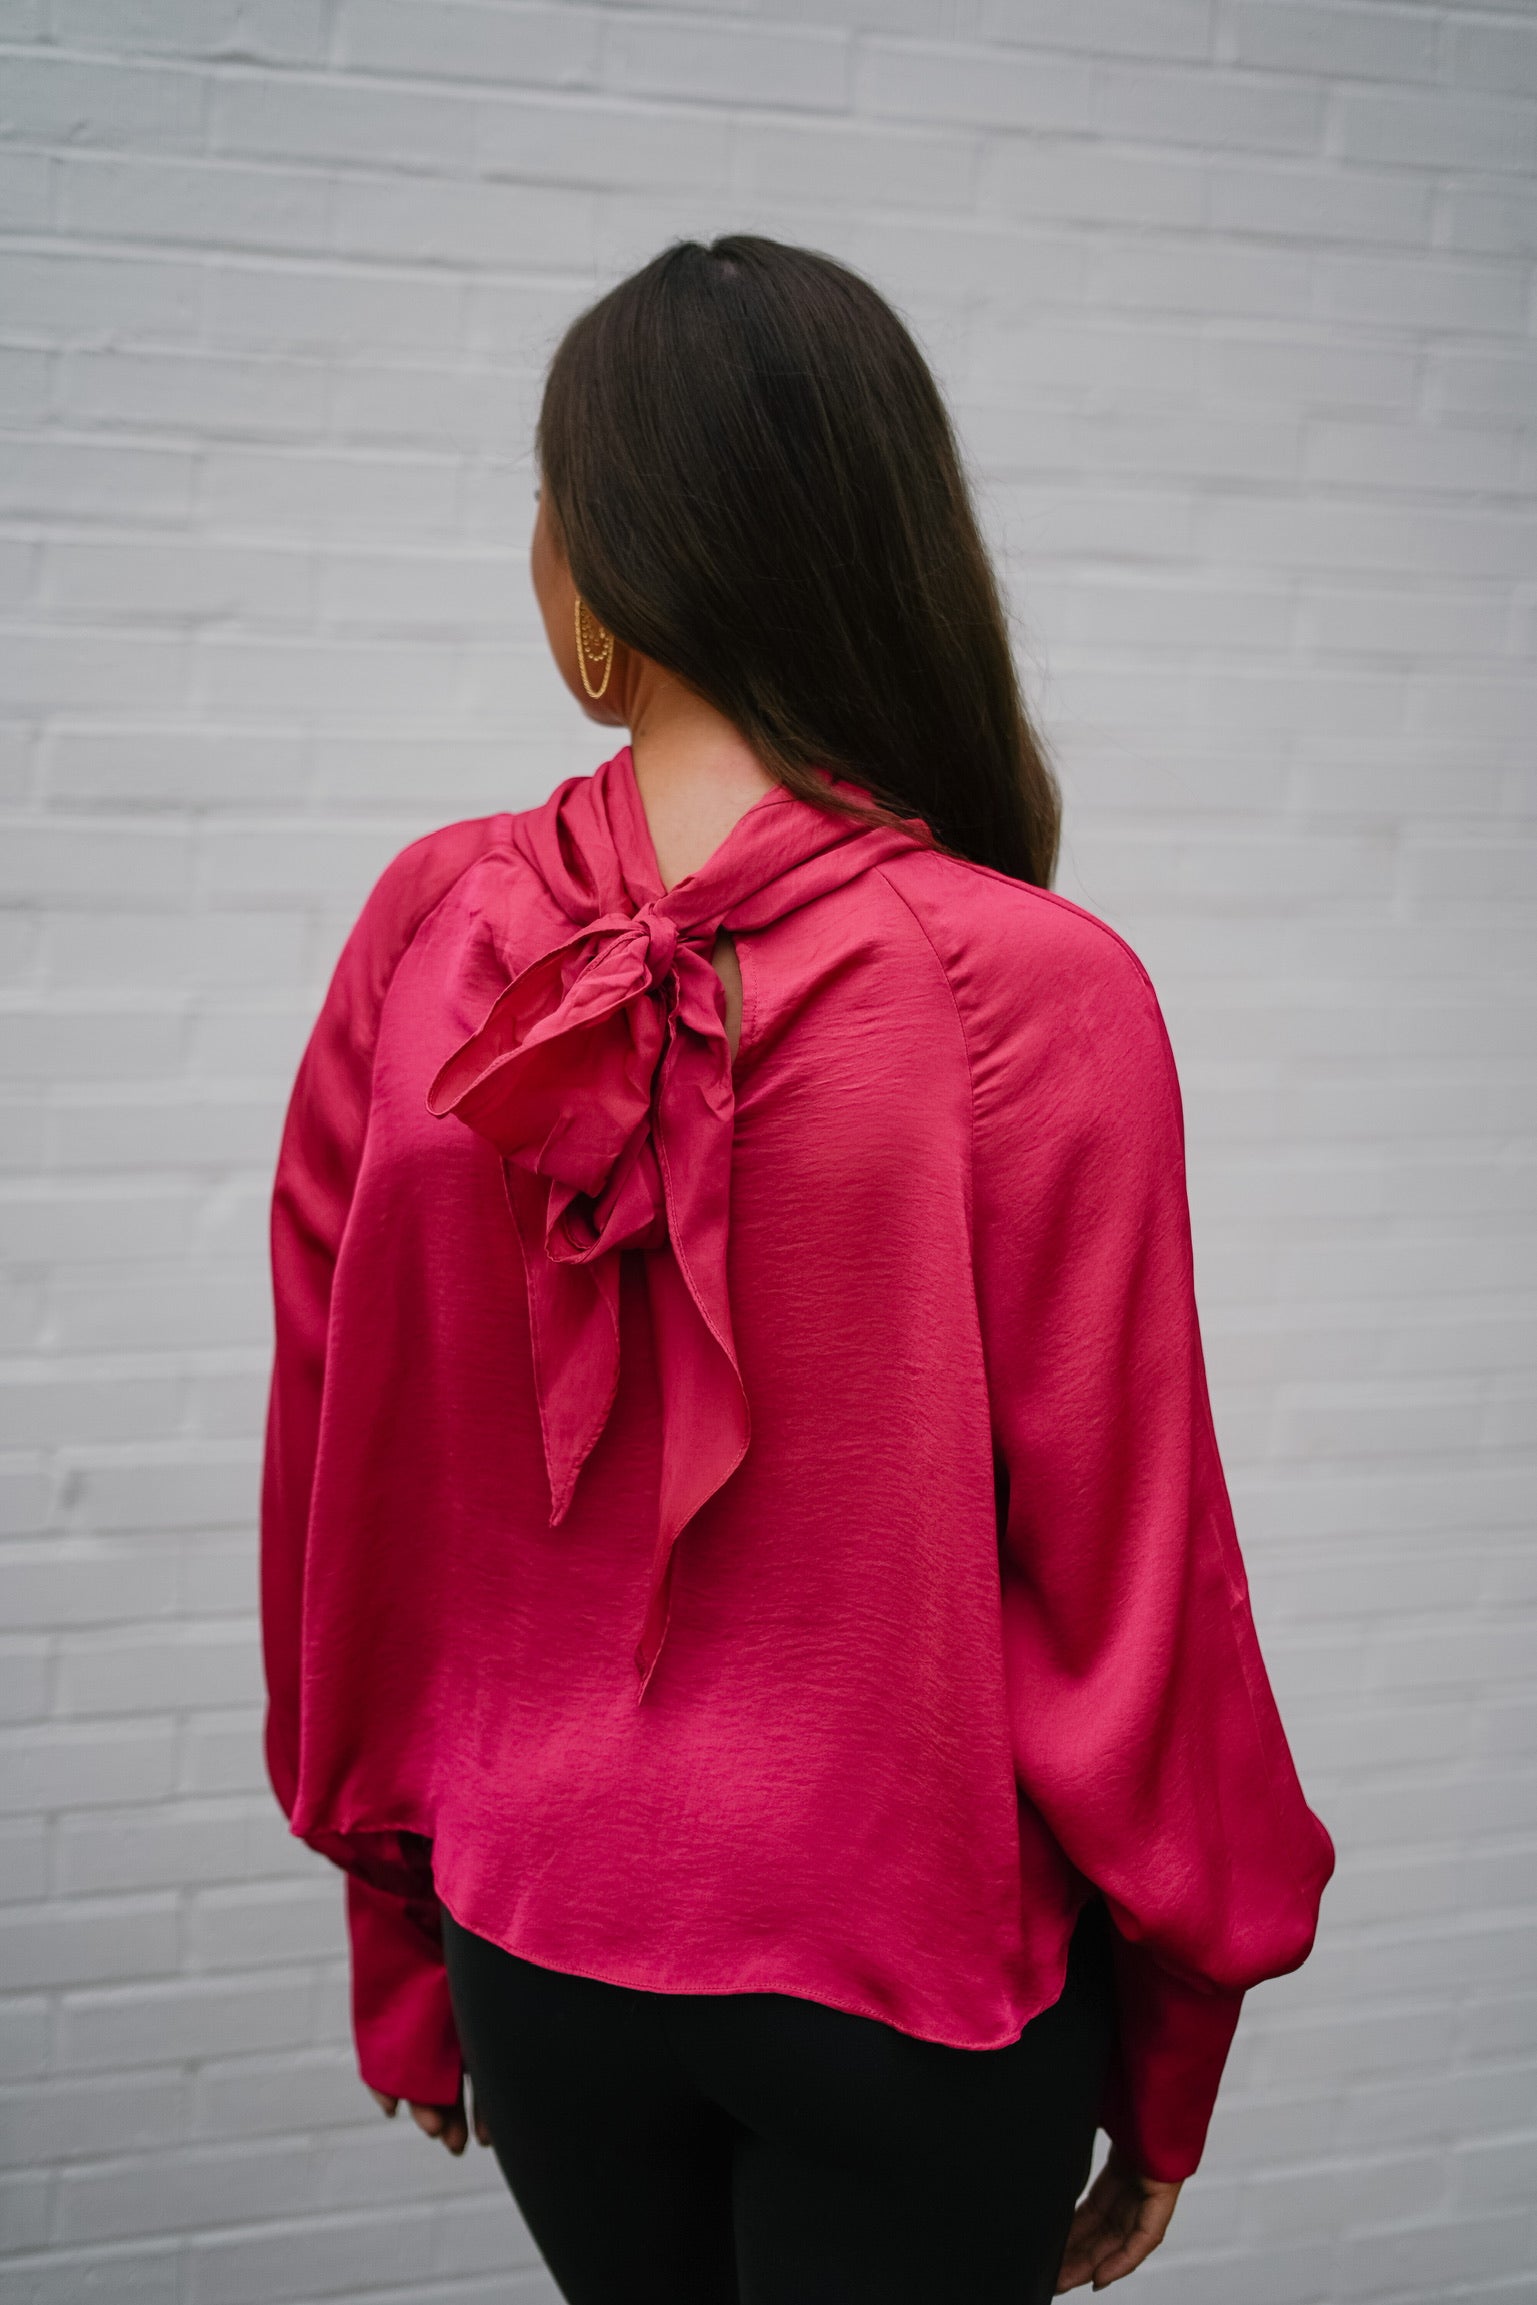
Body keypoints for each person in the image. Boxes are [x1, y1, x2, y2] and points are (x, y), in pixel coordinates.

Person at [260, 235, 1334, 2305]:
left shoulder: (425, 930)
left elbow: (337, 1469)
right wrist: (1172, 2049)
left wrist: (399, 1937)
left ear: (594, 562)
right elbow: (1135, 1578)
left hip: (534, 1950)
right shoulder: (1038, 986)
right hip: (912, 1987)